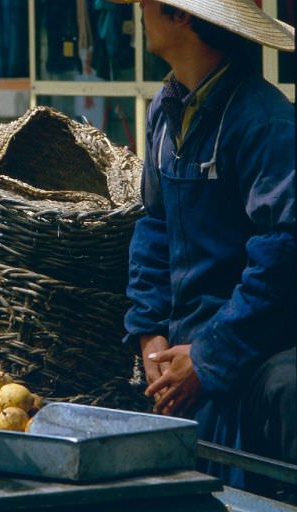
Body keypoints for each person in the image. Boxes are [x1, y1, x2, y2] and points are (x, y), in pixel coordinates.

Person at [118, 0, 296, 501]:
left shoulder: (265, 123)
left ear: (183, 18)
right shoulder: (165, 110)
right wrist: (149, 334)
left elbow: (281, 258)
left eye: (149, 4)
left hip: (250, 354)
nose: (139, 12)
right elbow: (154, 229)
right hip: (180, 353)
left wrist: (208, 357)